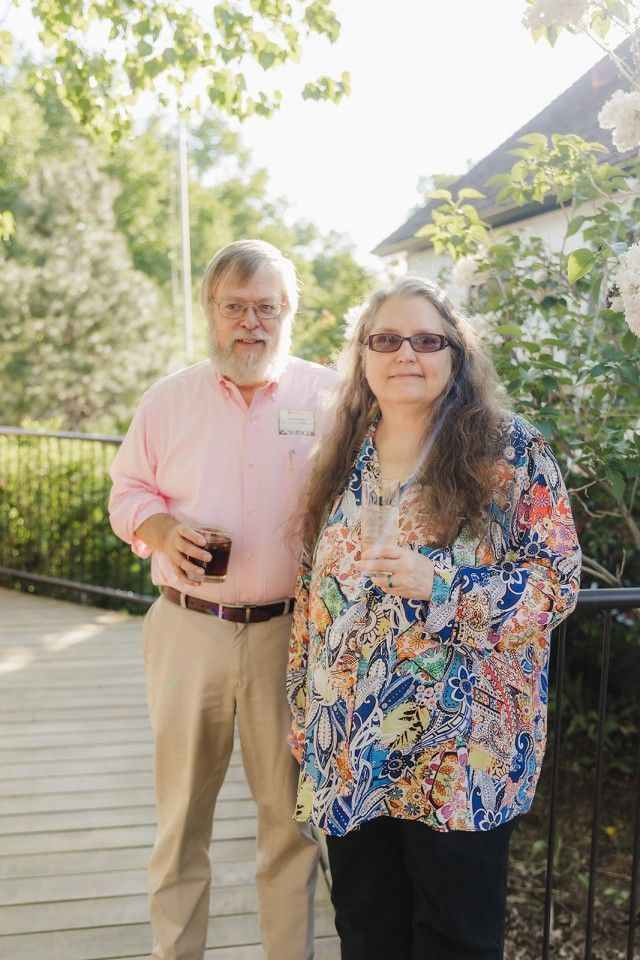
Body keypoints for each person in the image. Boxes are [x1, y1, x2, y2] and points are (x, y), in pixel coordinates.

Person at [287, 277, 582, 960]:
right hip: (351, 745)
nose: (406, 354)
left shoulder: (509, 451)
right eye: (386, 339)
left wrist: (442, 585)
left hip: (460, 752)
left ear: (456, 354)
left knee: (455, 940)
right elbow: (312, 597)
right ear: (363, 357)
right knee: (367, 930)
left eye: (427, 340)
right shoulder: (343, 457)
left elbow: (556, 582)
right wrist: (302, 710)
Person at [109, 239, 337, 960]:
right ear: (212, 312)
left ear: (289, 313)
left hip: (289, 634)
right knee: (181, 821)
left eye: (266, 307)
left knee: (289, 824)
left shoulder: (329, 399)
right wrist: (160, 526)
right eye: (235, 307)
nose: (251, 323)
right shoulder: (167, 400)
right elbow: (127, 492)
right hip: (187, 630)